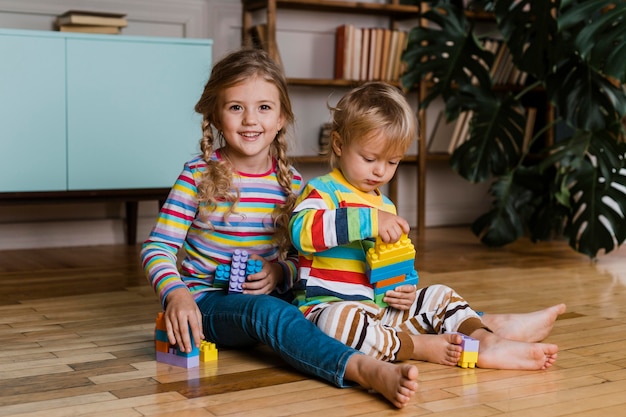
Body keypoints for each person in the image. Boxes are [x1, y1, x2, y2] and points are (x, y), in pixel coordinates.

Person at [140, 49, 418, 409]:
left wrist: (278, 271)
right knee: (269, 313)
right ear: (215, 114)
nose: (250, 120)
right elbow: (157, 248)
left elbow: (301, 260)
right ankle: (362, 369)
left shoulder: (293, 184)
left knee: (322, 302)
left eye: (264, 108)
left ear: (282, 117)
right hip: (208, 302)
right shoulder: (197, 175)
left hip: (272, 296)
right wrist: (176, 295)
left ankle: (452, 331)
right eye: (236, 107)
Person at [289, 81, 565, 370]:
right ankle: (417, 347)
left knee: (439, 294)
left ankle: (482, 341)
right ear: (338, 144)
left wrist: (405, 288)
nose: (380, 170)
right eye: (369, 158)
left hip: (379, 312)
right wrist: (369, 220)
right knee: (336, 323)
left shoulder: (385, 206)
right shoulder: (322, 191)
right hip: (329, 308)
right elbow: (302, 233)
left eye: (393, 162)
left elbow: (392, 265)